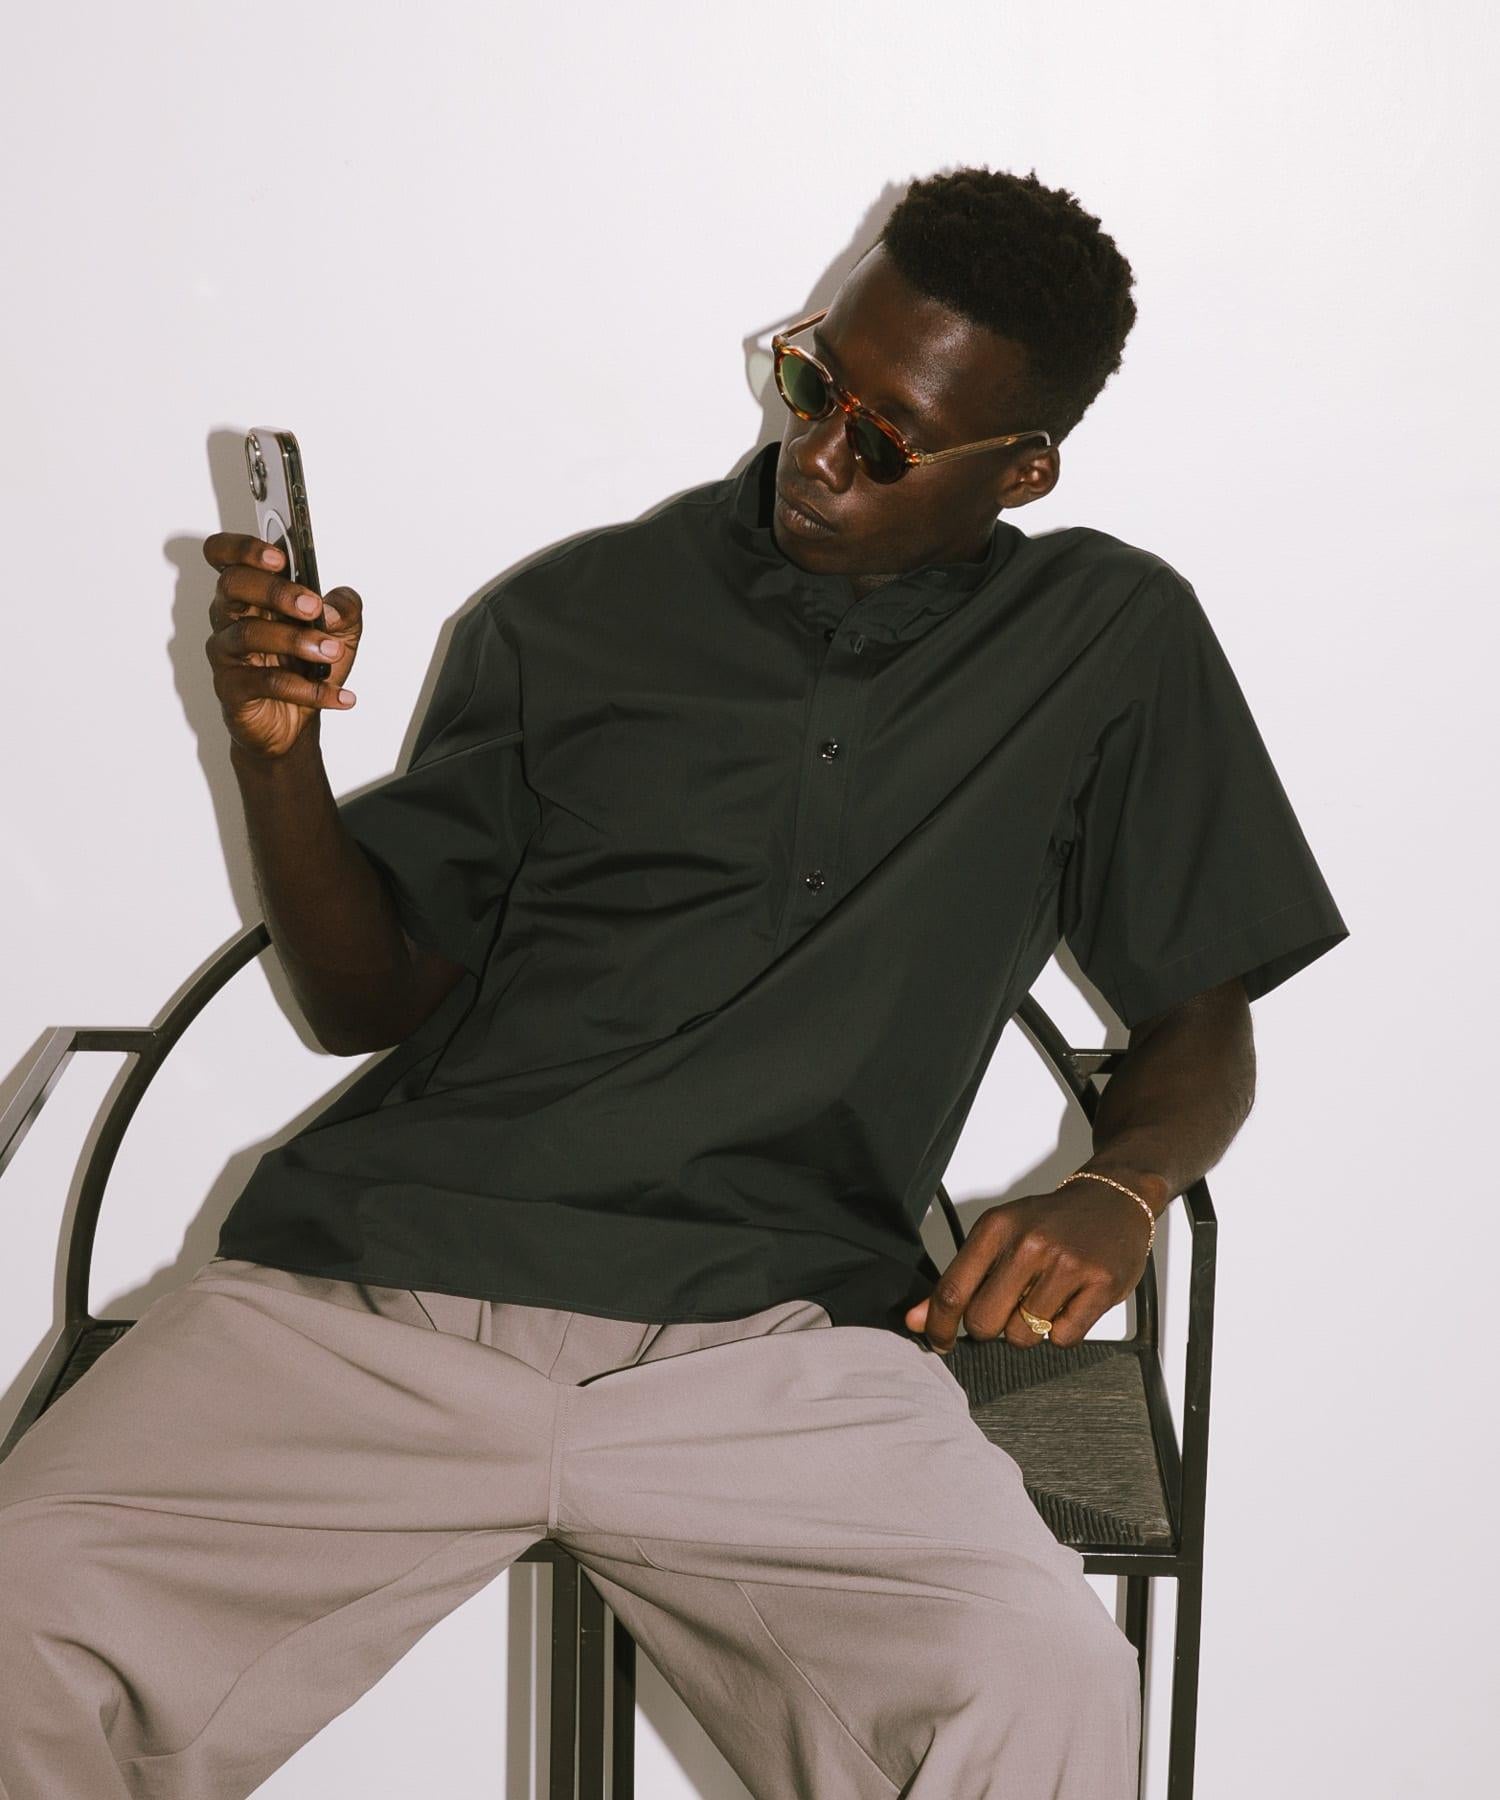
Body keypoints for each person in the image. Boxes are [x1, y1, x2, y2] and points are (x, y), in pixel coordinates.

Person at [0, 165, 1346, 1798]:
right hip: (383, 1294)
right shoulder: (574, 612)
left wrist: (1121, 1190)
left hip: (785, 1350)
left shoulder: (1106, 639)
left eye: (885, 443)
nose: (815, 455)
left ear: (1024, 469)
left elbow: (1202, 1014)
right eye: (812, 382)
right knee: (17, 1615)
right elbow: (365, 1003)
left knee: (1039, 1687)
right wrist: (274, 757)